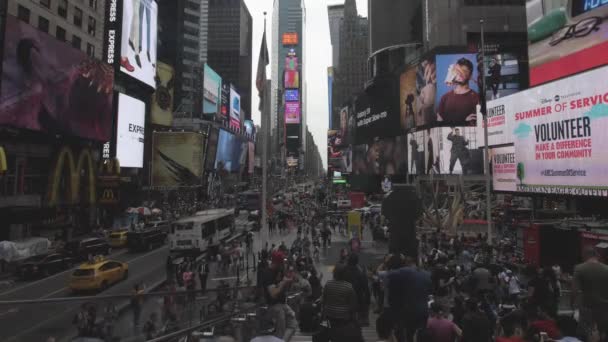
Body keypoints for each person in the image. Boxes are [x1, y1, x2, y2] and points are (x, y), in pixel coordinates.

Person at [572, 247, 608, 341]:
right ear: (596, 256)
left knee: (584, 335)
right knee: (603, 334)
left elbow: (575, 290)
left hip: (587, 309)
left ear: (585, 255)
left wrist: (574, 305)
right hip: (604, 309)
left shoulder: (579, 268)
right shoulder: (606, 269)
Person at [261, 251, 297, 341]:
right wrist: (283, 283)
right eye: (282, 262)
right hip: (275, 306)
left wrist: (289, 280)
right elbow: (273, 293)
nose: (283, 264)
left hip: (283, 303)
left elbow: (282, 281)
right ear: (277, 263)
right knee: (280, 332)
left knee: (293, 324)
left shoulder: (279, 270)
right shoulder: (267, 274)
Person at [322, 264, 363, 342]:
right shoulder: (348, 286)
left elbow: (324, 300)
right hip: (343, 317)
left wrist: (324, 313)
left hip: (329, 315)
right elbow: (353, 305)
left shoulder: (328, 284)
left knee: (332, 331)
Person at [437, 57, 479, 125]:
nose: (460, 74)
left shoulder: (475, 97)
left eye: (464, 71)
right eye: (458, 71)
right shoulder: (445, 97)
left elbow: (474, 124)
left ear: (470, 75)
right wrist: (463, 121)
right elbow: (439, 123)